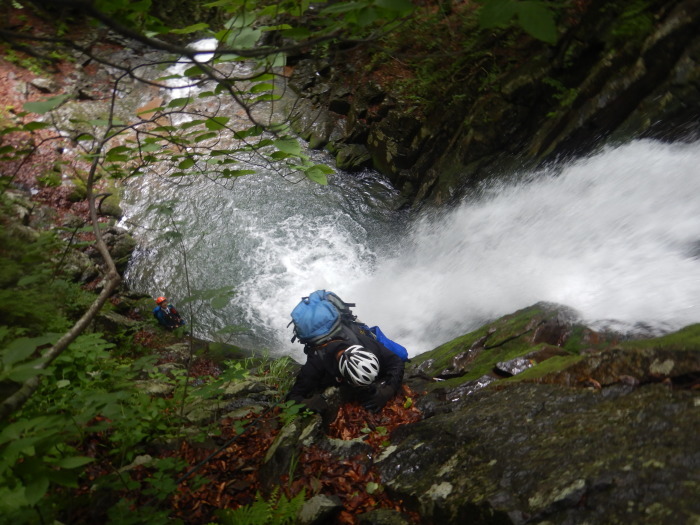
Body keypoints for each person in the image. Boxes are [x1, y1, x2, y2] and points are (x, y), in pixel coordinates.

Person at [286, 326, 405, 415]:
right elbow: (293, 397)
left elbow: (396, 362)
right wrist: (309, 403)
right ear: (342, 376)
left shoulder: (367, 343)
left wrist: (389, 390)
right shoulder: (316, 365)